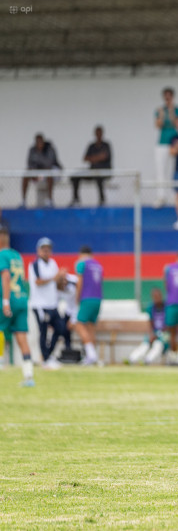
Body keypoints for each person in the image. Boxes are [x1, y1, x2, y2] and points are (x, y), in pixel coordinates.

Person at [0, 225, 36, 386]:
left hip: (10, 298)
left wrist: (5, 301)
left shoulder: (2, 255)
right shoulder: (16, 255)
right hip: (22, 298)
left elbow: (6, 277)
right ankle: (28, 376)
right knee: (21, 336)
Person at [28, 237, 66, 369]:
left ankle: (48, 355)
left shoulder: (53, 263)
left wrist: (61, 279)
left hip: (53, 304)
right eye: (43, 249)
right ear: (38, 251)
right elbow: (38, 282)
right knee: (43, 331)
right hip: (40, 305)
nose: (46, 252)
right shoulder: (35, 264)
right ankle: (45, 358)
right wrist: (54, 278)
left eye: (48, 249)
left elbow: (56, 283)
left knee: (61, 328)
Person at [154, 87, 178, 207]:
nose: (167, 99)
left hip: (174, 142)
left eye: (169, 97)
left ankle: (174, 197)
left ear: (172, 97)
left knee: (173, 169)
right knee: (160, 170)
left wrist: (171, 111)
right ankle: (161, 196)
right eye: (165, 97)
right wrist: (162, 114)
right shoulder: (160, 110)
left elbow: (177, 123)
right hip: (161, 143)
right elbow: (158, 125)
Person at [74, 245, 104, 365]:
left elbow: (79, 281)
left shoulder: (81, 264)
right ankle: (93, 356)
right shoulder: (98, 265)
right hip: (98, 299)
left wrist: (77, 297)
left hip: (87, 298)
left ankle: (91, 355)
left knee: (79, 324)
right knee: (91, 327)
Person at [71, 125, 112, 207]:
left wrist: (93, 158)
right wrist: (98, 157)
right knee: (74, 176)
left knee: (99, 176)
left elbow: (105, 156)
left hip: (104, 172)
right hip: (92, 171)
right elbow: (85, 158)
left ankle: (102, 200)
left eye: (100, 133)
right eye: (97, 133)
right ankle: (76, 199)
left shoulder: (106, 145)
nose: (98, 135)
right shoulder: (91, 146)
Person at [128, 287, 169, 365]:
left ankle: (148, 360)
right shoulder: (151, 308)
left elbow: (169, 325)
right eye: (154, 297)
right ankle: (132, 359)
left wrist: (158, 335)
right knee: (145, 344)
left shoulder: (167, 307)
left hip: (165, 333)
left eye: (158, 296)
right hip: (154, 332)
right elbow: (150, 324)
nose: (156, 299)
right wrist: (151, 334)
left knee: (158, 345)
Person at [24, 133, 61, 208]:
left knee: (49, 173)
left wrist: (40, 152)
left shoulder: (49, 149)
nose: (39, 143)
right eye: (37, 141)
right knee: (26, 173)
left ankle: (50, 200)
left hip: (52, 173)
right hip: (39, 174)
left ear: (43, 141)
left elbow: (49, 164)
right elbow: (29, 163)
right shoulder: (32, 150)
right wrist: (34, 173)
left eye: (40, 141)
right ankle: (23, 201)